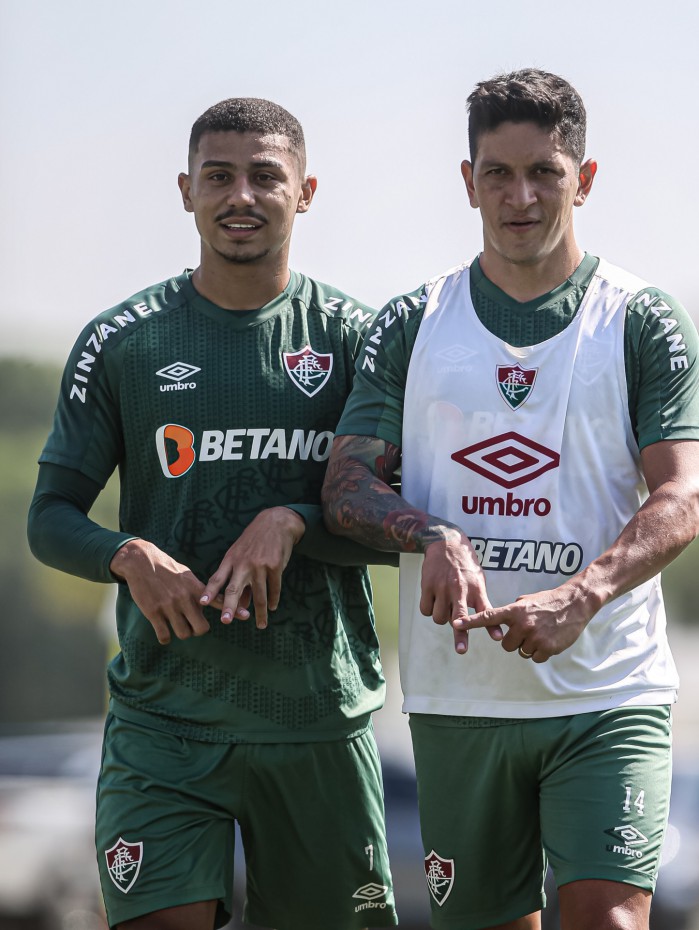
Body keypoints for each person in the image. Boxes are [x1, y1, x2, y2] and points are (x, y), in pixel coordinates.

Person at [321, 68, 699, 930]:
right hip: (460, 698)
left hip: (608, 687)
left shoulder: (638, 316)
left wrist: (584, 593)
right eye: (497, 172)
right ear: (467, 182)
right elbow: (344, 486)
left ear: (585, 177)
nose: (519, 195)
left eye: (544, 172)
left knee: (608, 920)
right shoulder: (412, 320)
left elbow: (683, 491)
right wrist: (430, 535)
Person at [27, 97, 399, 930]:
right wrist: (127, 554)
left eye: (266, 176)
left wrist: (296, 519)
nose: (241, 195)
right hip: (166, 718)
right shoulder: (122, 341)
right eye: (219, 176)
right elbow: (50, 517)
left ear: (304, 192)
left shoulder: (356, 340)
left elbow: (399, 527)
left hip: (315, 718)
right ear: (185, 190)